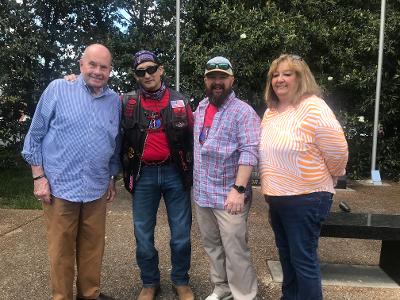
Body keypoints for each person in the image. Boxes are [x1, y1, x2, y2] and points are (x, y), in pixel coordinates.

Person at [22, 44, 120, 300]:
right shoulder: (58, 88)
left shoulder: (114, 101)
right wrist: (38, 177)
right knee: (61, 252)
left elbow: (114, 142)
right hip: (59, 189)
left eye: (104, 67)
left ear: (110, 70)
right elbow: (35, 135)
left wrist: (111, 177)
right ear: (81, 64)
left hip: (96, 189)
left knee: (92, 250)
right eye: (93, 65)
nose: (98, 71)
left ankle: (89, 295)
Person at [259, 54, 349, 300]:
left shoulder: (313, 107)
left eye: (287, 74)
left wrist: (333, 175)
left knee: (303, 260)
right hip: (277, 197)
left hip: (306, 197)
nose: (280, 79)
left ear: (301, 77)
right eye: (275, 75)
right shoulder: (272, 112)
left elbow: (338, 151)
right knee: (287, 258)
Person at [120, 50, 194, 300]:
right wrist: (73, 81)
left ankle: (180, 281)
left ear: (161, 70)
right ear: (136, 76)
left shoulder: (181, 102)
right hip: (143, 175)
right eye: (141, 72)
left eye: (152, 69)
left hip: (175, 172)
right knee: (142, 234)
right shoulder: (126, 103)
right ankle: (150, 282)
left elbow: (195, 140)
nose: (147, 74)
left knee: (182, 234)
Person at [193, 56, 259, 300]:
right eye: (212, 77)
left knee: (235, 249)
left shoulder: (243, 112)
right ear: (205, 80)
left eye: (222, 77)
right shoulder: (200, 107)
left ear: (231, 80)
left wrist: (239, 189)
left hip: (230, 195)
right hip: (202, 193)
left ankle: (244, 295)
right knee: (212, 246)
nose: (217, 82)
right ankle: (222, 288)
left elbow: (250, 150)